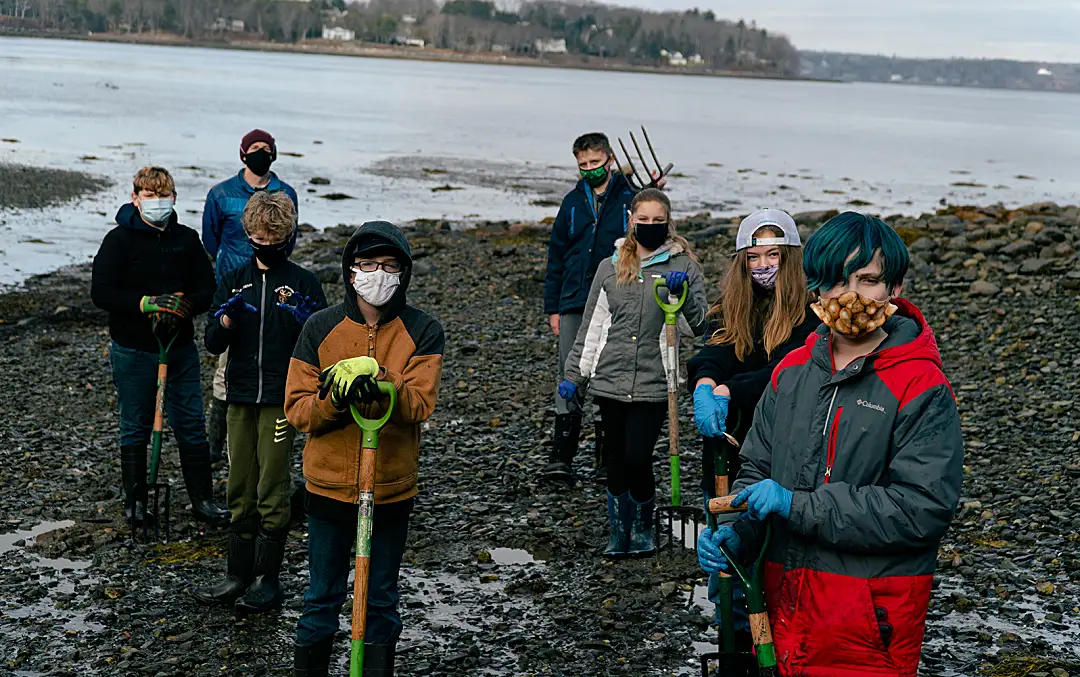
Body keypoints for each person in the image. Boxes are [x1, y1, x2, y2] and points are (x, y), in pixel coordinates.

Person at [697, 212, 964, 676]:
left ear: (894, 289)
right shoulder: (791, 373)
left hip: (865, 629)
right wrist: (738, 536)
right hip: (780, 616)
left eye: (868, 280)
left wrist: (797, 505)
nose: (851, 297)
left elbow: (920, 509)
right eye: (837, 281)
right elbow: (756, 470)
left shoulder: (921, 385)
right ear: (816, 289)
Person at [285, 221, 444, 676]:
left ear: (403, 272)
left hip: (391, 487)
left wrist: (381, 378)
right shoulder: (320, 328)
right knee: (322, 598)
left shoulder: (422, 331)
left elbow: (418, 404)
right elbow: (297, 410)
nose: (378, 273)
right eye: (368, 264)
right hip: (329, 487)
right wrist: (334, 398)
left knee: (380, 600)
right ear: (351, 270)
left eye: (388, 265)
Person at [686, 208, 819, 649]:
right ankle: (736, 644)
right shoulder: (734, 307)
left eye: (773, 254)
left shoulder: (812, 318)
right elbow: (715, 350)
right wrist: (706, 382)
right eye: (754, 256)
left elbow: (787, 371)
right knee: (727, 561)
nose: (763, 265)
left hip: (782, 460)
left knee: (775, 568)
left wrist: (730, 391)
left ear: (792, 258)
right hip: (726, 453)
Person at [189, 192, 326, 613]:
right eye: (259, 234)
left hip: (281, 401)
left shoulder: (304, 283)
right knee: (239, 485)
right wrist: (226, 320)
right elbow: (212, 343)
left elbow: (325, 350)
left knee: (273, 486)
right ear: (248, 233)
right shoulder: (233, 280)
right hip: (240, 396)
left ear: (288, 235)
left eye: (275, 235)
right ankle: (238, 574)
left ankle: (268, 579)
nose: (266, 241)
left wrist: (309, 326)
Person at [561, 189, 707, 558]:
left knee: (639, 457)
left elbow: (699, 326)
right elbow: (592, 326)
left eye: (659, 222)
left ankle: (643, 530)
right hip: (609, 380)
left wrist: (684, 294)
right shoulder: (609, 266)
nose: (651, 227)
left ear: (669, 221)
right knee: (615, 462)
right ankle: (619, 533)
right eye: (644, 221)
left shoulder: (682, 265)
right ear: (631, 220)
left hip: (656, 382)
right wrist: (574, 375)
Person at [90, 166, 228, 527]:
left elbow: (206, 287)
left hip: (179, 348)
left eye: (162, 196)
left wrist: (185, 305)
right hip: (134, 348)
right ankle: (135, 502)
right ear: (135, 199)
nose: (156, 203)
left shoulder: (186, 238)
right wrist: (145, 304)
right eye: (149, 197)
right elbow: (101, 292)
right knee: (135, 423)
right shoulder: (118, 241)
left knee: (190, 423)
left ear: (174, 199)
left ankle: (202, 499)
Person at [542, 132, 664, 485]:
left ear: (609, 159)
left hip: (616, 296)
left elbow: (653, 226)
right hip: (573, 300)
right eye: (583, 165)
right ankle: (561, 457)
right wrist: (553, 307)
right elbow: (556, 255)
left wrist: (655, 193)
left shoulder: (630, 197)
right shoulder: (571, 203)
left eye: (595, 163)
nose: (590, 170)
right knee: (571, 371)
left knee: (608, 371)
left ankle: (607, 458)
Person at [202, 129, 300, 464]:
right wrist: (233, 274)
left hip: (274, 291)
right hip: (235, 290)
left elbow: (292, 236)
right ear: (243, 154)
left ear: (274, 153)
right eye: (254, 149)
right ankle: (215, 447)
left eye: (266, 149)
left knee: (273, 364)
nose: (261, 154)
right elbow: (210, 240)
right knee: (225, 370)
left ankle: (269, 446)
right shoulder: (221, 194)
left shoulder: (286, 193)